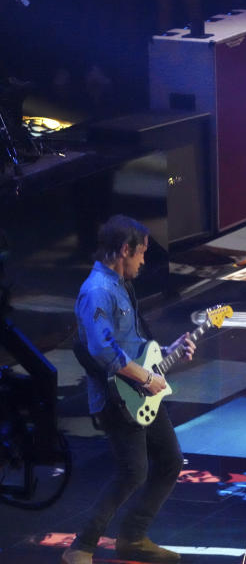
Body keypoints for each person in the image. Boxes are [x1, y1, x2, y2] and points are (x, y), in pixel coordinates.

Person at [62, 215, 196, 564]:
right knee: (133, 471)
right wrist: (147, 379)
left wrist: (167, 353)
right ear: (125, 250)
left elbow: (133, 344)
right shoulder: (97, 291)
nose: (143, 261)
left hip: (141, 391)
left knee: (169, 461)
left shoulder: (120, 285)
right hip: (116, 398)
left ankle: (133, 538)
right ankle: (82, 546)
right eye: (141, 254)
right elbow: (103, 350)